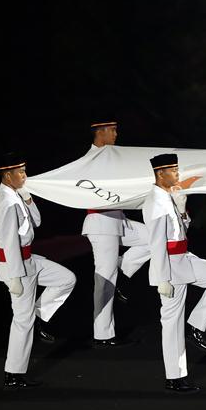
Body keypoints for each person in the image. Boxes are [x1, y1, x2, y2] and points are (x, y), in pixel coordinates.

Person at [142, 153, 206, 392]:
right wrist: (162, 277)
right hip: (170, 266)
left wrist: (182, 210)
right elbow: (157, 243)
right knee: (172, 322)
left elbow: (181, 231)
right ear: (160, 174)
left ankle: (196, 326)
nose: (177, 174)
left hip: (184, 257)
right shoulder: (154, 201)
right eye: (173, 170)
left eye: (177, 169)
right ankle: (175, 376)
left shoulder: (168, 196)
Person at [0, 153, 76, 388]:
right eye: (20, 173)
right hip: (17, 264)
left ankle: (40, 315)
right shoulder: (6, 201)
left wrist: (28, 199)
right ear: (8, 176)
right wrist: (15, 276)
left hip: (30, 259)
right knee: (22, 320)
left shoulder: (16, 194)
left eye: (24, 171)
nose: (25, 176)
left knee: (66, 278)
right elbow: (9, 241)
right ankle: (14, 373)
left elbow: (37, 222)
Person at [81, 120, 151, 347]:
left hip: (119, 219)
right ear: (99, 133)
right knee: (104, 277)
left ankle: (123, 268)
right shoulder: (88, 161)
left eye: (116, 130)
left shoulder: (113, 155)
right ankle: (103, 334)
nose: (116, 134)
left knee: (157, 237)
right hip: (101, 223)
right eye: (112, 131)